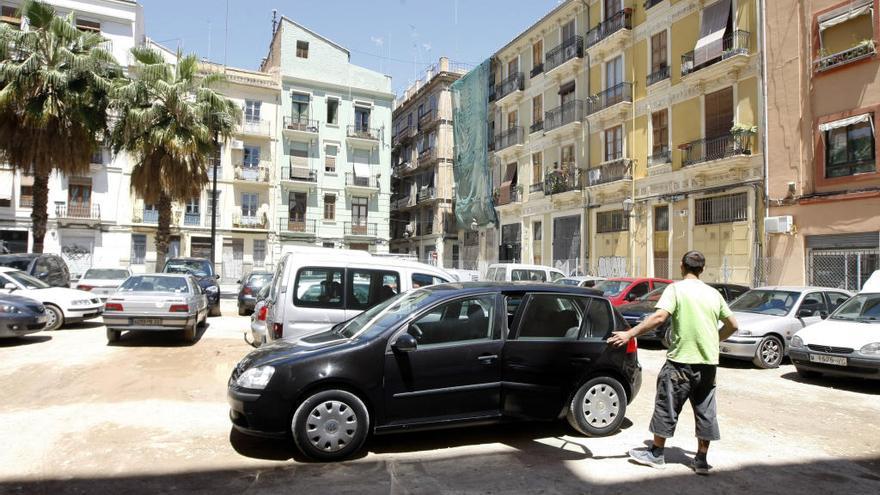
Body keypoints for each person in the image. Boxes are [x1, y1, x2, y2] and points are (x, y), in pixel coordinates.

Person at [607, 251, 739, 475]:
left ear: (681, 266)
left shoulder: (676, 289)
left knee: (667, 405)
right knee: (705, 410)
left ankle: (656, 453)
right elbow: (733, 325)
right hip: (708, 363)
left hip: (680, 362)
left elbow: (660, 317)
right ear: (702, 269)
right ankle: (701, 460)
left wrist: (629, 334)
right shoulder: (713, 294)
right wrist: (713, 339)